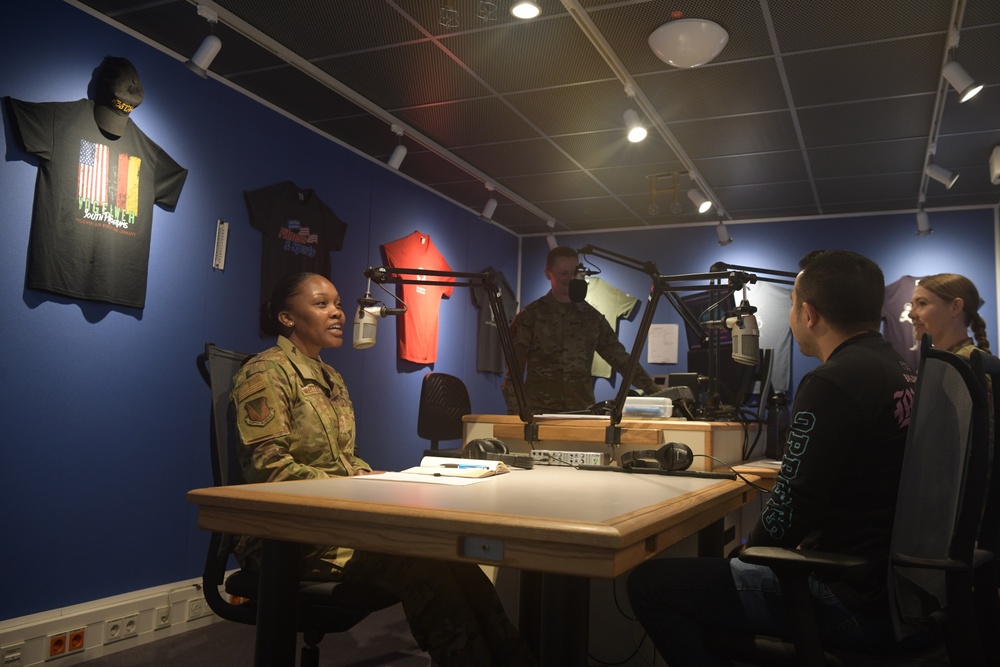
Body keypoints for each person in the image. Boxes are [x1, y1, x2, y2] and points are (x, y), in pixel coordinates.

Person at [626, 250, 920, 665]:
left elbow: (789, 511)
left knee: (650, 584)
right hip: (894, 593)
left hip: (850, 601)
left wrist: (745, 557)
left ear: (808, 314)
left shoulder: (833, 381)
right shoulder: (900, 369)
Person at [232, 272, 537, 667]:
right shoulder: (266, 373)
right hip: (291, 536)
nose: (338, 313)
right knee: (423, 567)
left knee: (452, 559)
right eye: (321, 304)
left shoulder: (331, 377)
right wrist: (351, 485)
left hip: (337, 524)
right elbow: (268, 470)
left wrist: (370, 477)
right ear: (287, 318)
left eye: (338, 304)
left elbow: (347, 458)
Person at [501, 246, 660, 414]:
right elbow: (513, 375)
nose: (570, 278)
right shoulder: (530, 316)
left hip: (581, 411)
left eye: (573, 272)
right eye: (563, 273)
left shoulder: (592, 318)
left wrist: (655, 390)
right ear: (548, 274)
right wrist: (516, 416)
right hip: (539, 413)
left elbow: (621, 359)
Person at [909, 272, 991, 357]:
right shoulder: (944, 362)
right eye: (912, 305)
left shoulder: (971, 365)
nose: (911, 314)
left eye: (922, 303)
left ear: (955, 307)